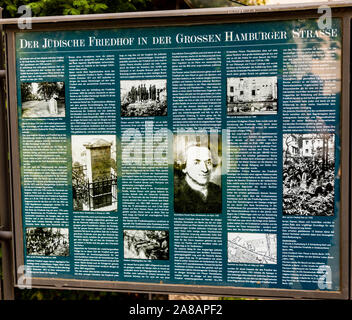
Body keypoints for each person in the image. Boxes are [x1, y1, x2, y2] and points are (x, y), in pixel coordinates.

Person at [174, 145, 221, 213]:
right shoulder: (176, 195)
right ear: (184, 167)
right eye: (196, 163)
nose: (205, 169)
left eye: (208, 162)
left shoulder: (217, 190)